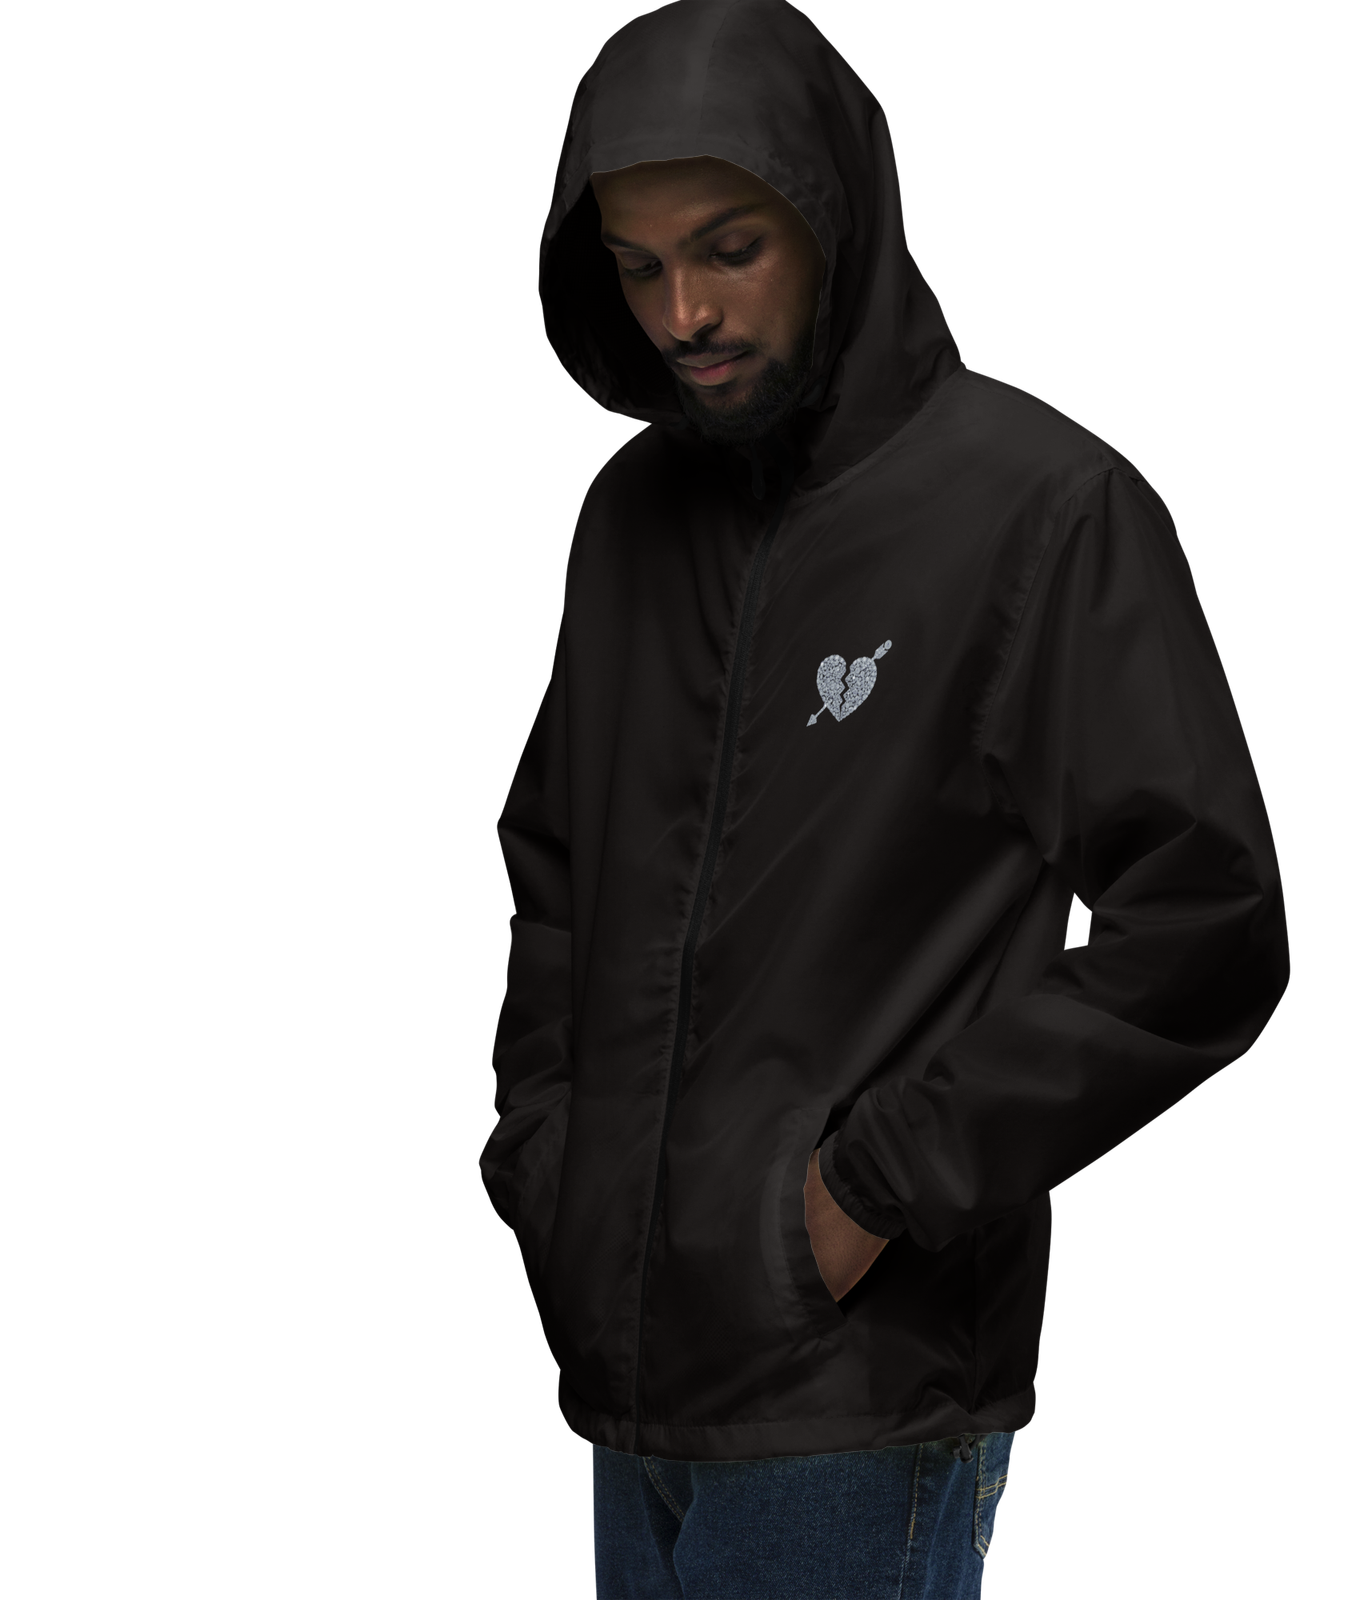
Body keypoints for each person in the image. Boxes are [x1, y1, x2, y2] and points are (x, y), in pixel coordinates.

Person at [484, 1, 1290, 1594]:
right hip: (622, 1396)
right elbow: (555, 870)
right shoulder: (625, 518)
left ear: (836, 213)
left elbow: (1209, 918)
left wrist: (879, 1183)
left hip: (858, 1396)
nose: (683, 313)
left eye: (729, 249)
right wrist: (546, 1161)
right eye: (637, 267)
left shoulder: (1044, 509)